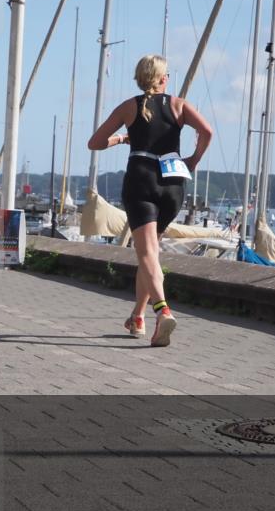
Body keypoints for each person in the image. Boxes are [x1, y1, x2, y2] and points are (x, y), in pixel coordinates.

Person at [87, 54, 212, 347]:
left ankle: (162, 310)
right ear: (163, 78)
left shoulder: (129, 106)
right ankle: (138, 316)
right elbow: (207, 131)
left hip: (141, 179)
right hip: (173, 184)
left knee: (146, 253)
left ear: (140, 78)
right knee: (151, 253)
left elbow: (95, 143)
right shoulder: (179, 105)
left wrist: (121, 138)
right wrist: (193, 159)